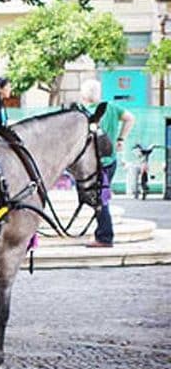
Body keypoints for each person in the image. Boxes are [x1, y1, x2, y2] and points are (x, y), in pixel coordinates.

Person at [79, 78, 134, 248]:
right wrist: (121, 139)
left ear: (84, 95)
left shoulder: (84, 112)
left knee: (100, 200)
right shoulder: (111, 107)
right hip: (110, 161)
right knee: (99, 198)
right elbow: (130, 118)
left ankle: (104, 236)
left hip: (95, 164)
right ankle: (102, 233)